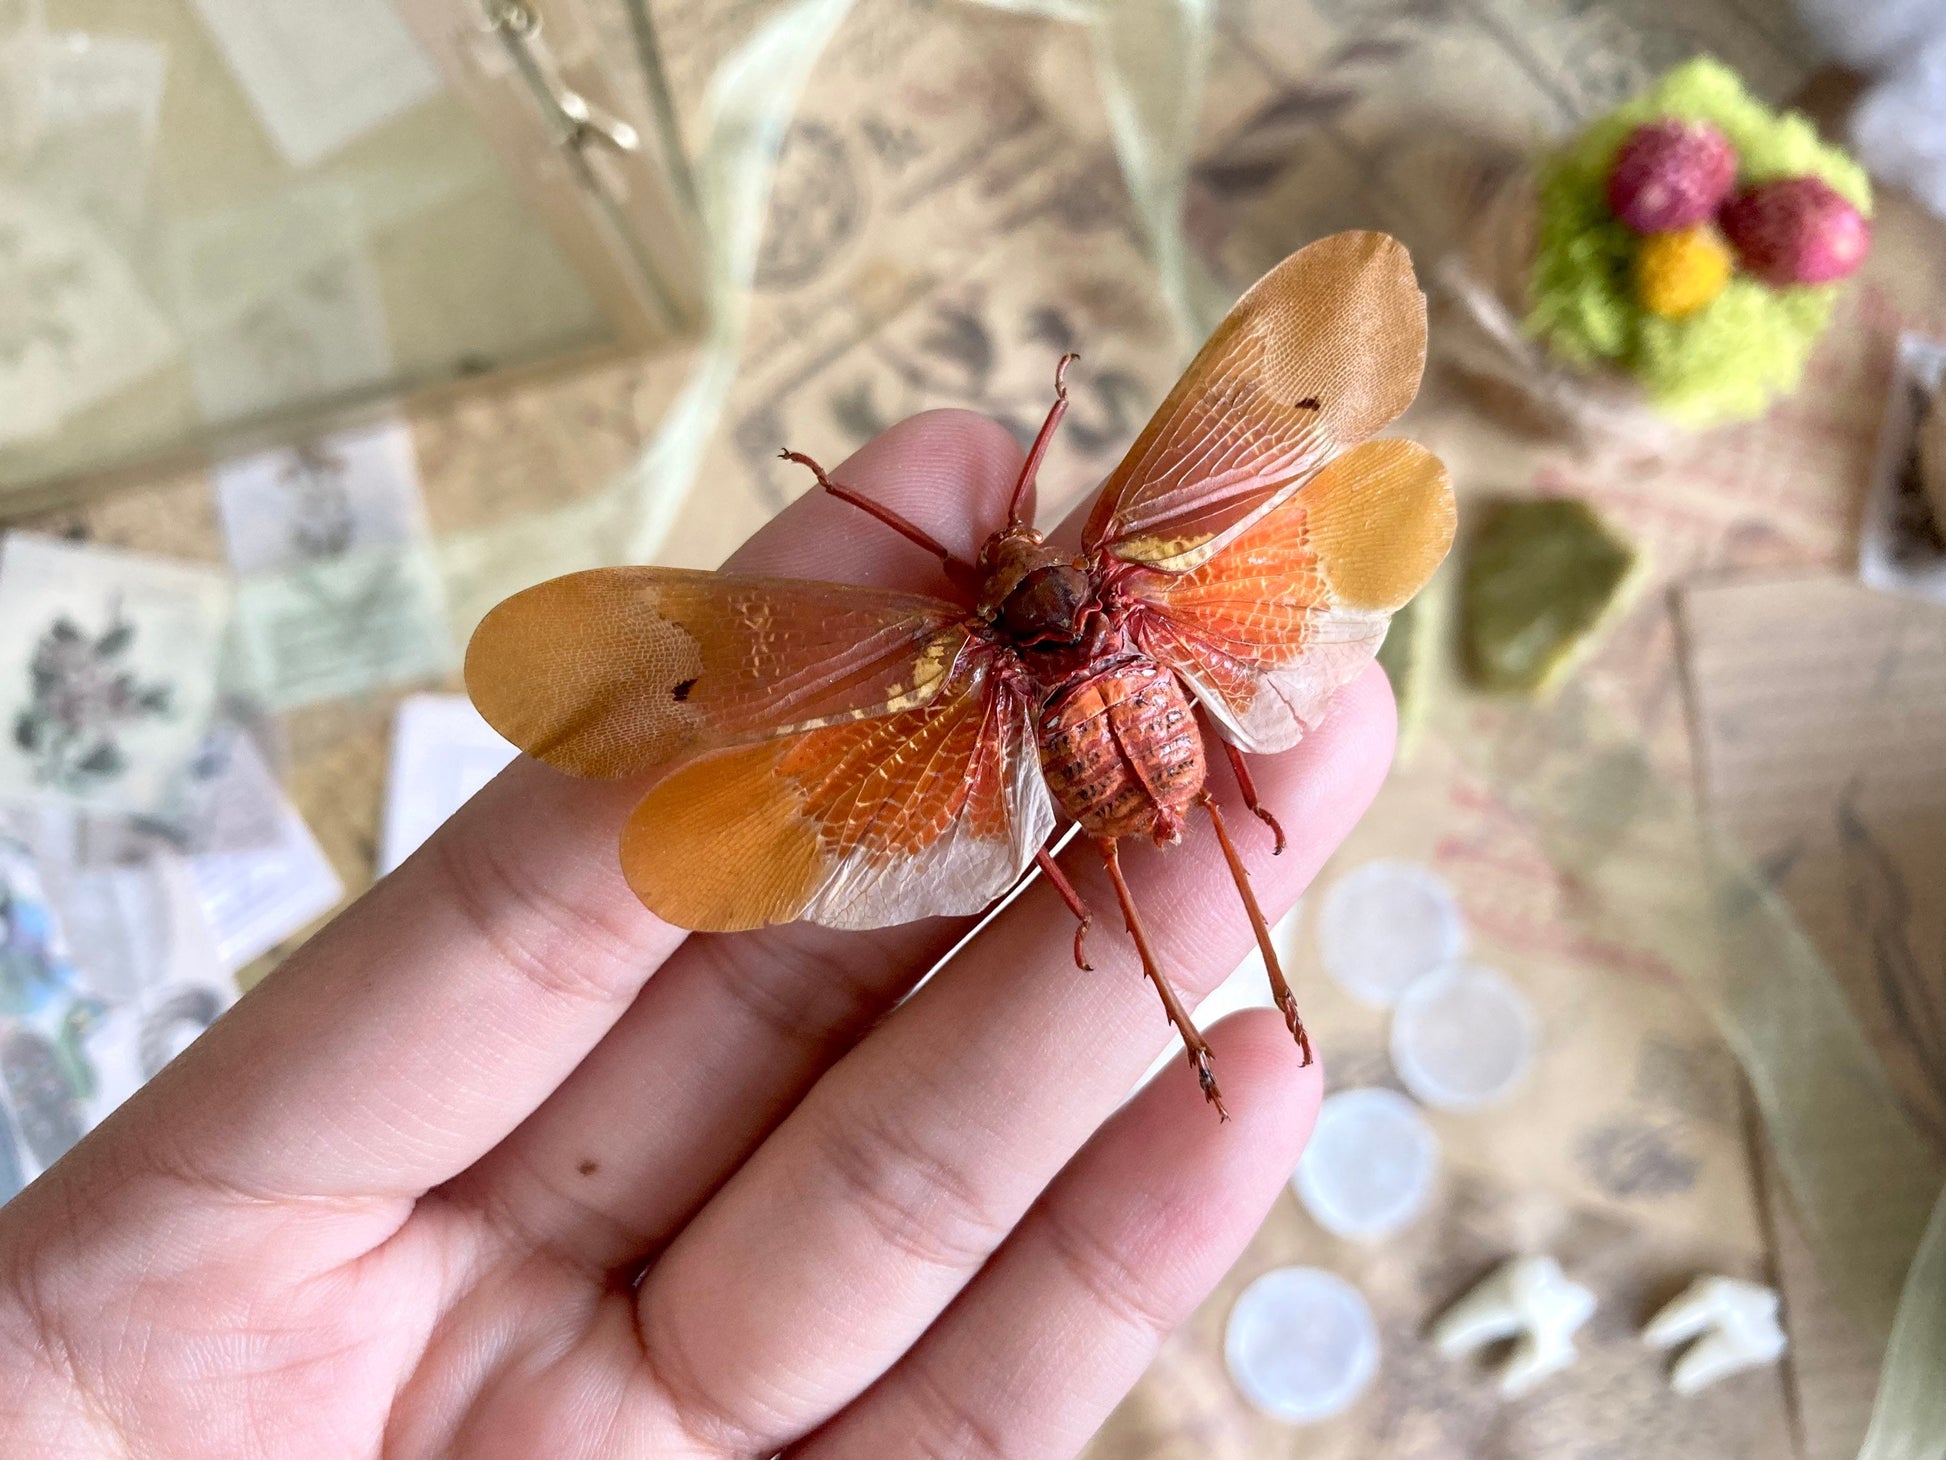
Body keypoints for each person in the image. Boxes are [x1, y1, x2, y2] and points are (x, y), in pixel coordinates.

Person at [0, 410, 1393, 1457]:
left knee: (1138, 883)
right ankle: (1238, 986)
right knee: (1198, 854)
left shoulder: (958, 647)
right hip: (1154, 696)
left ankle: (1217, 993)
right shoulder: (1110, 590)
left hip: (1060, 750)